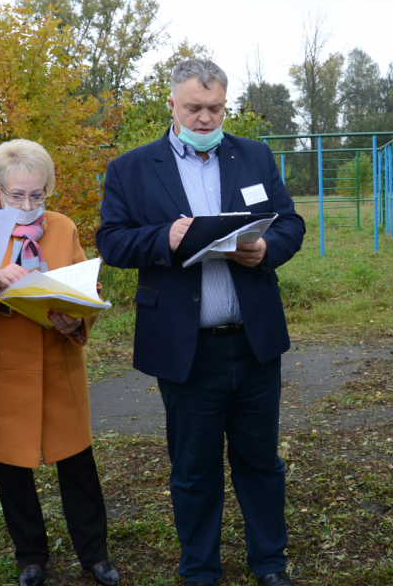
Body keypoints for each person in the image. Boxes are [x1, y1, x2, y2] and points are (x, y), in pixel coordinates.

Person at [97, 59, 305, 586]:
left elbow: (291, 223)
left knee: (261, 463)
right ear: (172, 105)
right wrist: (162, 239)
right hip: (187, 350)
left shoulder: (253, 155)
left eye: (215, 108)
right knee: (193, 470)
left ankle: (270, 564)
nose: (207, 118)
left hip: (253, 343)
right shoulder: (133, 168)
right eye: (194, 108)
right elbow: (112, 241)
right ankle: (200, 570)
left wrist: (267, 252)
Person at [0, 140, 119, 586]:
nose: (29, 205)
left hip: (56, 362)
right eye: (18, 196)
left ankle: (95, 554)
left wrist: (74, 318)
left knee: (77, 463)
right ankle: (30, 556)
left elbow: (83, 292)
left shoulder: (62, 226)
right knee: (11, 468)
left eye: (38, 195)